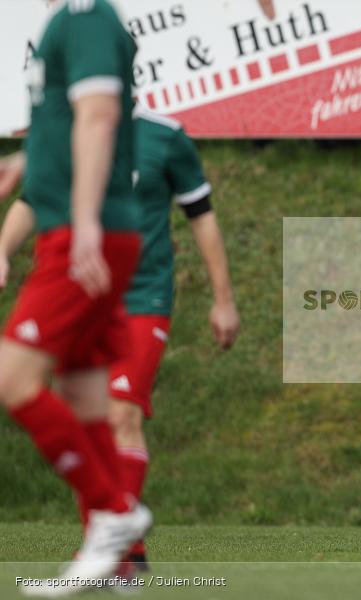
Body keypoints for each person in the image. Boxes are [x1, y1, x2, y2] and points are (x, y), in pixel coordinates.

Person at [0, 106, 241, 573]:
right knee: (84, 414)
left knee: (121, 413)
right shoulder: (68, 132)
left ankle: (120, 544)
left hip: (143, 298)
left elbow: (202, 216)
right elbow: (35, 198)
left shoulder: (165, 137)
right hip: (84, 293)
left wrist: (223, 299)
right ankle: (113, 550)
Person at [0, 0, 151, 590]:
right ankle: (122, 562)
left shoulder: (85, 16)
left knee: (13, 380)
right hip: (79, 231)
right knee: (82, 396)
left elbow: (99, 116)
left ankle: (115, 514)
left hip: (83, 237)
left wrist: (85, 220)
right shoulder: (69, 18)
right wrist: (27, 162)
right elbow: (75, 125)